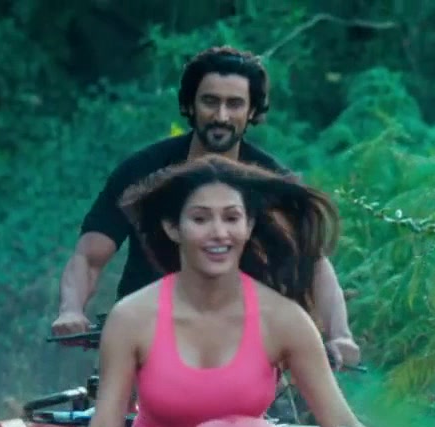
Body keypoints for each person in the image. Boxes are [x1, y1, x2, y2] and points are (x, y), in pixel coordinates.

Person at [68, 155, 373, 427]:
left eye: (232, 218)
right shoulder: (132, 318)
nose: (218, 232)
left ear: (249, 226)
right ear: (173, 228)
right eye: (200, 219)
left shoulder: (285, 319)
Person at [49, 45, 363, 370]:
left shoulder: (271, 184)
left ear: (252, 111)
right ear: (190, 104)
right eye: (210, 101)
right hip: (144, 338)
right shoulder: (142, 171)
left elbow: (314, 264)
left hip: (242, 348)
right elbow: (89, 256)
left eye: (235, 104)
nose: (221, 116)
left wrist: (340, 335)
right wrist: (71, 309)